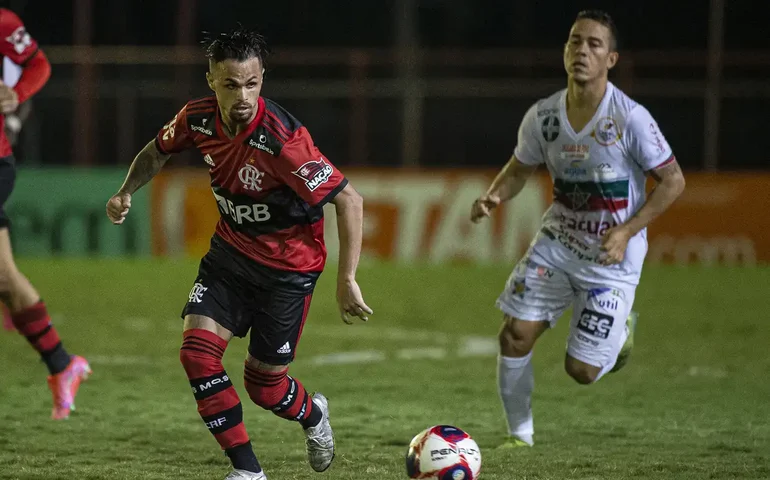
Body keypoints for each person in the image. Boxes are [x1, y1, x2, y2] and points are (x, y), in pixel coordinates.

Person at [106, 27, 372, 480]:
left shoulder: (284, 141)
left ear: (262, 77)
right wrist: (126, 190)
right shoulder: (197, 118)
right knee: (196, 355)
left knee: (265, 387)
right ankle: (248, 471)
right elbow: (157, 150)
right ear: (211, 80)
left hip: (288, 272)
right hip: (229, 258)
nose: (243, 95)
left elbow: (349, 200)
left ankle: (313, 415)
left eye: (251, 83)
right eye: (230, 84)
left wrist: (346, 279)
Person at [470, 10, 686, 448]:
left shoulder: (630, 119)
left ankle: (620, 332)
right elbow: (519, 168)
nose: (582, 51)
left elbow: (674, 181)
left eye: (594, 44)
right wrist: (494, 195)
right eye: (575, 42)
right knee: (514, 334)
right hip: (557, 245)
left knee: (581, 372)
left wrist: (626, 231)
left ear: (611, 58)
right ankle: (520, 437)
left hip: (611, 257)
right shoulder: (544, 116)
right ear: (564, 50)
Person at [0, 7, 91, 420]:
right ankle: (62, 364)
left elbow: (38, 63)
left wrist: (16, 95)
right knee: (5, 278)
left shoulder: (2, 23)